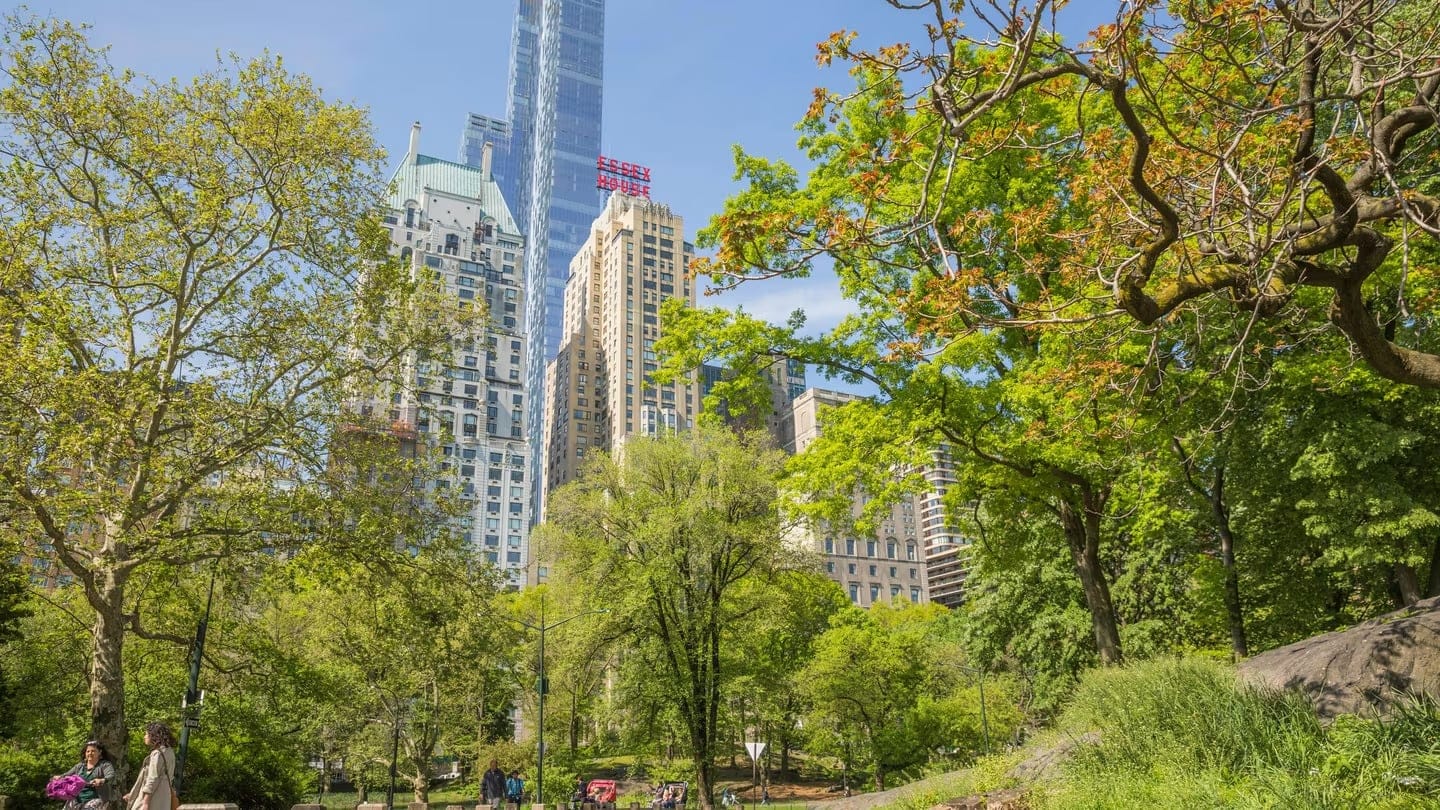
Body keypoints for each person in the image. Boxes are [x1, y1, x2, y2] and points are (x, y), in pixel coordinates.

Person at [123, 722, 176, 810]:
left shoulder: (157, 754)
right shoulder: (169, 751)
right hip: (164, 795)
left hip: (153, 797)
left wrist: (145, 802)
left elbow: (152, 778)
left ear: (154, 736)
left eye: (147, 734)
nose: (145, 736)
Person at [55, 740, 116, 810]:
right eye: (88, 751)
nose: (90, 753)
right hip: (76, 799)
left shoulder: (105, 765)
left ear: (100, 752)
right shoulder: (80, 766)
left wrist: (102, 780)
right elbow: (67, 775)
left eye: (93, 751)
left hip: (96, 800)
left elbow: (111, 775)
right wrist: (59, 777)